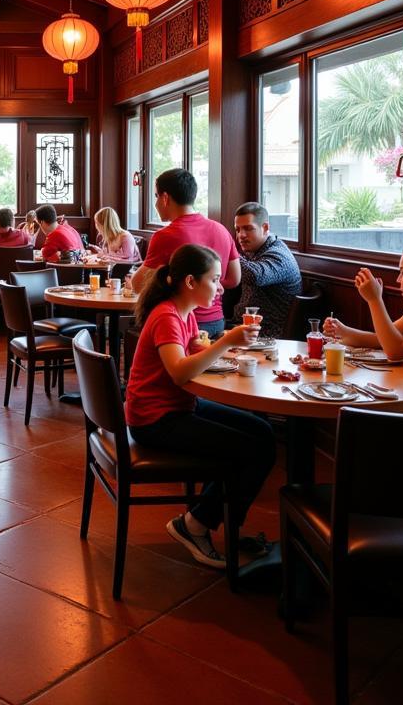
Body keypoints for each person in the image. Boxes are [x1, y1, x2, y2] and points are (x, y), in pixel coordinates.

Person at [127, 245, 276, 569]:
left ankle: (217, 526)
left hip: (177, 406)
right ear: (191, 282)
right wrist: (226, 342)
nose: (221, 287)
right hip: (155, 418)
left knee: (263, 433)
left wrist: (213, 343)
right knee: (249, 449)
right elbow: (180, 372)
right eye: (215, 279)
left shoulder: (185, 311)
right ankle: (196, 525)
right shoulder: (167, 315)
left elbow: (192, 354)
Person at [325, 240, 403, 413]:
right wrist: (343, 331)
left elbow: (395, 350)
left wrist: (375, 300)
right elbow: (381, 339)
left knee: (366, 417)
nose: (398, 280)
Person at [130, 169, 240, 339]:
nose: (156, 203)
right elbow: (234, 279)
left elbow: (138, 285)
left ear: (165, 198)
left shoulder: (165, 236)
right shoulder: (221, 230)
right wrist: (208, 283)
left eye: (156, 196)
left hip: (180, 321)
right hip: (216, 321)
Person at [232, 202, 301, 338]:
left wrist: (228, 252)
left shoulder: (279, 255)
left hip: (268, 335)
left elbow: (255, 276)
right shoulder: (254, 250)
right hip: (246, 328)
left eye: (248, 228)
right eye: (238, 229)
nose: (241, 235)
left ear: (265, 228)